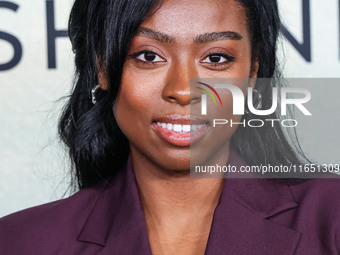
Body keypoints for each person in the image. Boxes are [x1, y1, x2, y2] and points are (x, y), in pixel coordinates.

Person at [1, 0, 340, 254]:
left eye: (216, 58)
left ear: (253, 73)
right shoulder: (20, 241)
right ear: (102, 67)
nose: (181, 90)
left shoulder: (330, 217)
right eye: (148, 56)